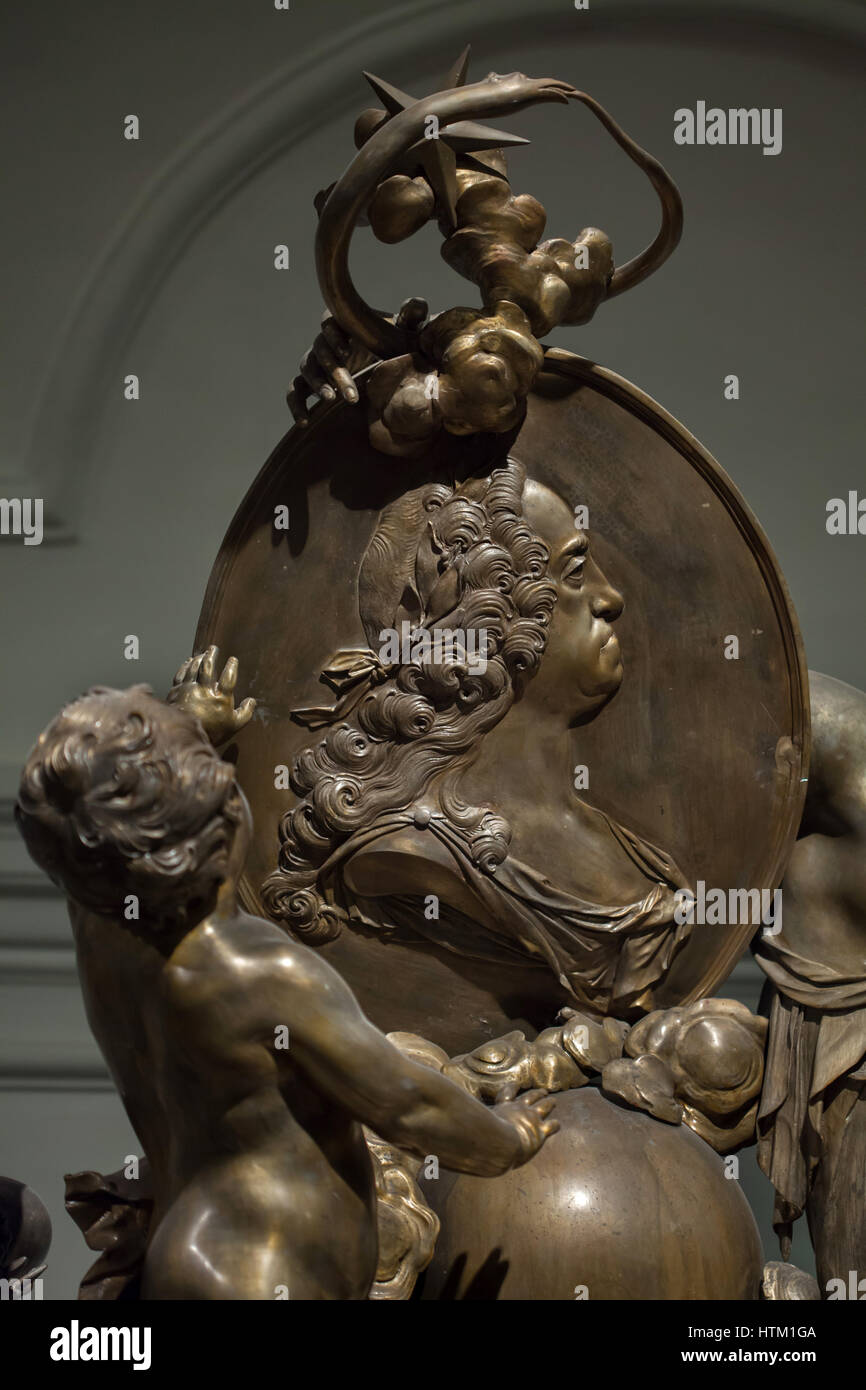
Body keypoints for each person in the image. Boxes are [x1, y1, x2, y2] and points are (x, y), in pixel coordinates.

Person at [15, 656, 557, 1300]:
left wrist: (187, 723)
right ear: (223, 818)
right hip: (265, 1271)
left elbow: (97, 820)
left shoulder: (103, 925)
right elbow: (408, 1102)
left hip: (185, 1251)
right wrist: (508, 1137)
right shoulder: (256, 971)